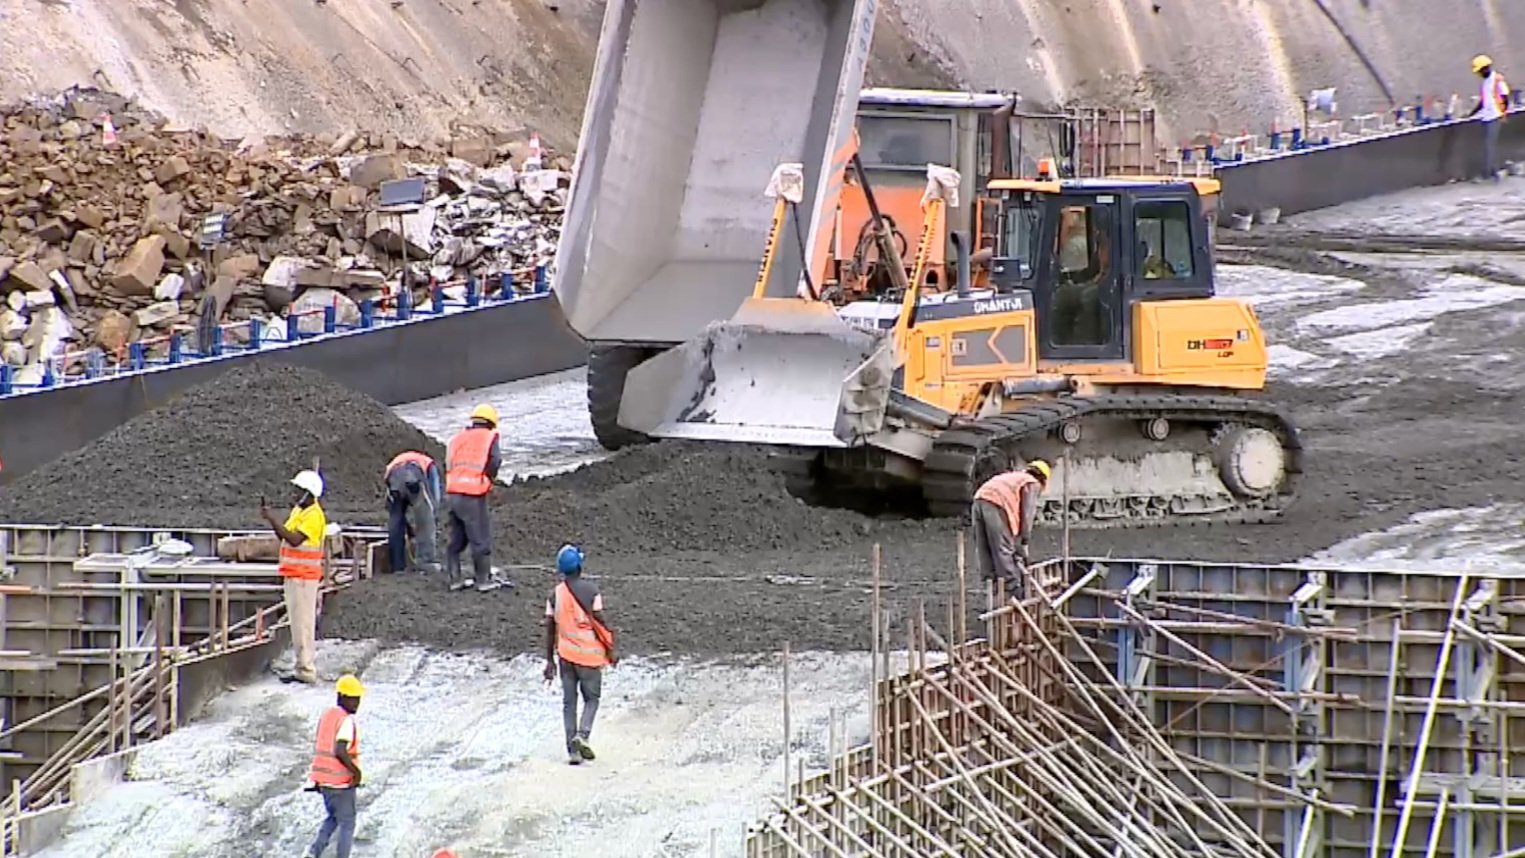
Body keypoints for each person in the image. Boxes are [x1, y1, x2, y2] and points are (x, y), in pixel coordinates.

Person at [542, 544, 617, 766]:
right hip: (590, 656)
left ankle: (572, 752)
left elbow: (549, 627)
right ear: (580, 567)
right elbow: (600, 620)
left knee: (569, 702)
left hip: (565, 656)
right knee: (592, 699)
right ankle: (582, 736)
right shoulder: (592, 591)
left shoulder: (554, 595)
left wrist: (549, 660)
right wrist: (612, 648)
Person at [263, 470, 328, 684]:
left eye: (298, 490)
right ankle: (302, 666)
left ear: (308, 493)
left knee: (303, 625)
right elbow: (285, 533)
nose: (293, 493)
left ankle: (306, 670)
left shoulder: (314, 515)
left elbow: (293, 539)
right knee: (297, 624)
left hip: (304, 578)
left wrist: (272, 518)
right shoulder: (300, 511)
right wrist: (273, 521)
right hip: (294, 575)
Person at [302, 674, 365, 858]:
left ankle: (314, 852)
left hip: (322, 780)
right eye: (353, 699)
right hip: (340, 782)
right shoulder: (346, 720)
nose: (357, 703)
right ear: (342, 697)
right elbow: (340, 749)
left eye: (358, 699)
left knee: (333, 817)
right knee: (347, 823)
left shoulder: (328, 716)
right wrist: (356, 773)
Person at [444, 404, 503, 592]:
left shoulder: (457, 438)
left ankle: (455, 580)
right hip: (473, 493)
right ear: (491, 423)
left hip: (453, 492)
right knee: (480, 539)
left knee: (457, 540)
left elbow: (449, 462)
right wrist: (488, 479)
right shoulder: (489, 437)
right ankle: (483, 581)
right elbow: (495, 461)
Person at [970, 459, 1051, 595]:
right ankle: (1014, 589)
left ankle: (992, 585)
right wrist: (1024, 540)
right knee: (1003, 548)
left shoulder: (1013, 477)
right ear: (1043, 479)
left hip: (979, 499)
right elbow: (1027, 513)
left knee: (985, 548)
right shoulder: (1031, 482)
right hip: (996, 503)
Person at [383, 450, 442, 574]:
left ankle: (397, 565)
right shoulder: (430, 464)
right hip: (413, 476)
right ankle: (426, 561)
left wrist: (408, 529)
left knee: (395, 519)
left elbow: (390, 506)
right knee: (426, 518)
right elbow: (434, 496)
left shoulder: (395, 461)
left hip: (393, 478)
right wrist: (434, 515)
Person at [1467, 54, 1511, 182]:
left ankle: (1489, 174)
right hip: (1486, 117)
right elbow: (1483, 102)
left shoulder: (1497, 79)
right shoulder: (1486, 82)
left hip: (1494, 116)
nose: (1479, 74)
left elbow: (1505, 96)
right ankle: (1493, 172)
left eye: (1480, 71)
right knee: (1489, 146)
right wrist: (1472, 113)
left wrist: (1502, 112)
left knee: (1489, 146)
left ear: (1486, 68)